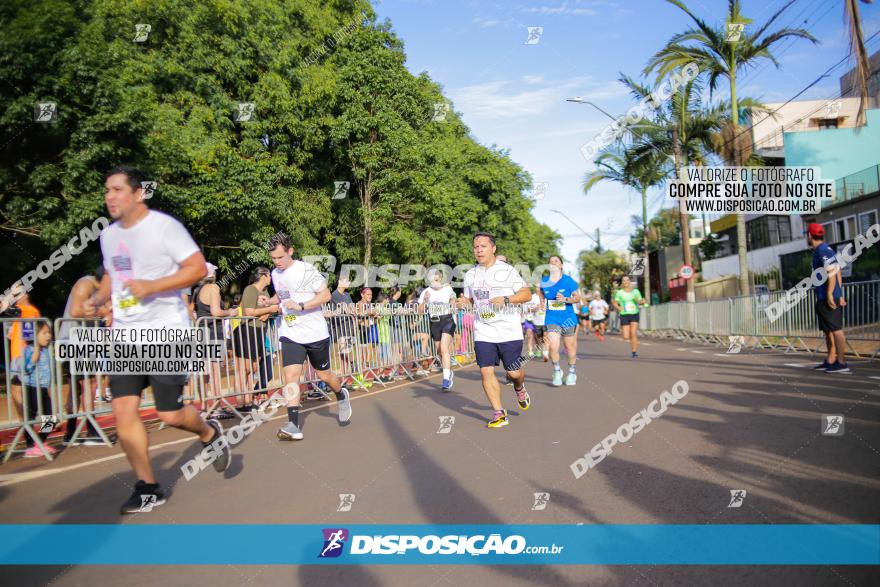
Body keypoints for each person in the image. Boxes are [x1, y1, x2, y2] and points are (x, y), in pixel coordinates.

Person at [85, 166, 230, 514]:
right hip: (125, 336)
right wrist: (99, 299)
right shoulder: (109, 235)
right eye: (107, 190)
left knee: (170, 414)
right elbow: (112, 275)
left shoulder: (165, 228)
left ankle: (208, 433)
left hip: (166, 333)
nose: (110, 196)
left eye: (118, 189)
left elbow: (196, 268)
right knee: (123, 412)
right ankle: (148, 487)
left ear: (138, 194)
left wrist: (152, 286)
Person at [256, 233, 352, 441]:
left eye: (280, 257)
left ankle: (340, 394)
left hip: (315, 333)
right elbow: (282, 295)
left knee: (324, 374)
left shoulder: (305, 270)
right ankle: (293, 424)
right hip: (290, 333)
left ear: (290, 251)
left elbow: (325, 295)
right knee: (291, 376)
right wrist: (268, 301)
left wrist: (300, 306)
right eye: (273, 258)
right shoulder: (275, 273)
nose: (277, 262)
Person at [461, 232, 532, 428]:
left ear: (493, 248)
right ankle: (499, 413)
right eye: (475, 246)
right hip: (483, 330)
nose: (478, 250)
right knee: (486, 371)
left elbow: (526, 294)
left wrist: (506, 299)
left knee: (514, 372)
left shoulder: (507, 271)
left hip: (508, 330)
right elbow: (468, 299)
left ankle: (519, 386)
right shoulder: (470, 274)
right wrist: (461, 301)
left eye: (483, 246)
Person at [59, 267, 109, 446]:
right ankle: (92, 431)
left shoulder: (97, 289)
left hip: (83, 341)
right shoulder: (84, 285)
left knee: (77, 388)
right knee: (89, 383)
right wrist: (102, 312)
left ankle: (70, 433)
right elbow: (75, 311)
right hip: (76, 341)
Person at [191, 262, 238, 418]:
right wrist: (230, 312)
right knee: (216, 372)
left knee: (204, 373)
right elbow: (216, 312)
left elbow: (192, 312)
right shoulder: (213, 288)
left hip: (202, 333)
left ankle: (205, 407)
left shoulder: (197, 290)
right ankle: (217, 406)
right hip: (213, 334)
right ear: (212, 275)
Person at [806, 223, 850, 373]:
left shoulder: (822, 250)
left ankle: (842, 363)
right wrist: (840, 293)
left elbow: (832, 271)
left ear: (810, 236)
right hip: (824, 296)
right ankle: (831, 360)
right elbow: (837, 271)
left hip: (827, 297)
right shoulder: (824, 250)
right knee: (828, 330)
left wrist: (832, 293)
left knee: (836, 330)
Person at [234, 267, 274, 411]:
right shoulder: (250, 289)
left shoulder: (265, 292)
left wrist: (267, 313)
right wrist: (268, 310)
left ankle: (248, 400)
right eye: (269, 275)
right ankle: (240, 402)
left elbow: (266, 311)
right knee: (244, 369)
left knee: (252, 369)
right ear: (263, 276)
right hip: (247, 331)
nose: (271, 277)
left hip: (259, 330)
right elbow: (249, 312)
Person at [538, 256, 581, 386]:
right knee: (553, 346)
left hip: (568, 318)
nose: (553, 263)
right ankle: (557, 370)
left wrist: (565, 299)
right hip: (552, 318)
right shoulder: (544, 281)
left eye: (556, 261)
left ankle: (572, 371)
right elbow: (540, 292)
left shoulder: (568, 281)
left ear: (561, 265)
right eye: (551, 262)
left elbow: (577, 298)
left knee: (569, 347)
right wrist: (541, 303)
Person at [22, 323, 57, 458]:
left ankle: (40, 442)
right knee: (30, 418)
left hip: (43, 388)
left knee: (50, 418)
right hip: (32, 387)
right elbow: (27, 368)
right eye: (44, 333)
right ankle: (30, 446)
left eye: (49, 332)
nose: (48, 336)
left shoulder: (48, 349)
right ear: (35, 335)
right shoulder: (29, 349)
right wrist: (35, 352)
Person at [418, 271, 457, 390]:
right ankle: (449, 372)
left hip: (447, 319)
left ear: (440, 279)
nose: (434, 282)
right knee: (439, 350)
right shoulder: (426, 291)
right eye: (431, 280)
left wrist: (453, 302)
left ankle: (445, 379)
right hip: (434, 322)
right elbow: (419, 311)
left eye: (436, 280)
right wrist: (424, 301)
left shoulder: (447, 288)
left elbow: (453, 299)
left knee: (444, 347)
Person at [7, 293, 41, 423]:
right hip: (23, 355)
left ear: (25, 296)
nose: (14, 300)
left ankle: (26, 424)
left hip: (22, 356)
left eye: (16, 296)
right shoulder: (26, 312)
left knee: (24, 392)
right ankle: (34, 425)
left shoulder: (27, 309)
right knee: (34, 393)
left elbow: (9, 310)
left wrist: (6, 299)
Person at [613, 275, 646, 358]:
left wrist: (642, 302)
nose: (626, 282)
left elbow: (639, 301)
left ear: (629, 281)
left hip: (634, 313)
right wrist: (618, 307)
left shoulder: (635, 291)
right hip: (624, 314)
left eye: (627, 280)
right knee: (626, 337)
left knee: (633, 333)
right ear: (622, 282)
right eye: (624, 280)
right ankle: (630, 338)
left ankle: (634, 352)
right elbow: (615, 302)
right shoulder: (619, 292)